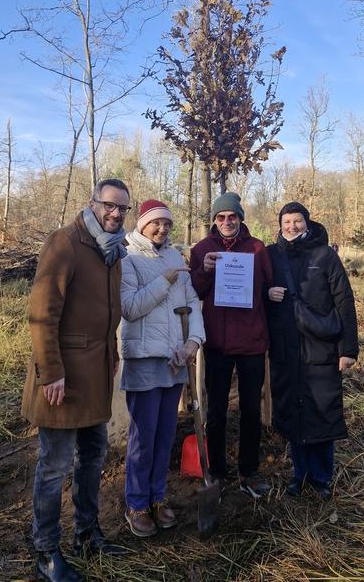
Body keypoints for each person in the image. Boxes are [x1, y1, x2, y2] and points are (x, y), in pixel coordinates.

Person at [21, 179, 131, 582]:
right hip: (62, 380)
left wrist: (114, 354)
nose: (116, 213)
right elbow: (42, 313)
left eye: (123, 208)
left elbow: (108, 313)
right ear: (93, 204)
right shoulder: (65, 242)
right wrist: (51, 371)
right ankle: (46, 551)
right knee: (54, 466)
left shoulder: (112, 250)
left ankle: (88, 533)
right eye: (109, 205)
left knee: (93, 457)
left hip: (97, 373)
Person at [120, 199, 206, 537]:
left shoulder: (174, 256)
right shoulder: (128, 257)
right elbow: (129, 308)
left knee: (165, 434)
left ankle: (158, 498)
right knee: (144, 435)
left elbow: (192, 303)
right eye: (156, 223)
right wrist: (165, 281)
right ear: (142, 224)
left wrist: (193, 343)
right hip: (144, 360)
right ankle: (137, 504)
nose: (162, 229)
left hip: (174, 360)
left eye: (167, 224)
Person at [266, 202, 358, 500]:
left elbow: (344, 301)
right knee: (294, 412)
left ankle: (321, 477)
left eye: (297, 221)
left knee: (322, 410)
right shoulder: (272, 255)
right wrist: (268, 294)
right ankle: (299, 475)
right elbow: (257, 293)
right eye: (287, 221)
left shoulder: (325, 255)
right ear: (280, 225)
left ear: (308, 223)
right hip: (287, 350)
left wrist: (348, 349)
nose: (292, 226)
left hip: (322, 348)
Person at [190, 192, 273, 499]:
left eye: (232, 217)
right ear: (214, 220)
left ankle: (248, 471)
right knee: (217, 410)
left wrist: (274, 293)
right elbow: (194, 291)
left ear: (241, 218)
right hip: (218, 344)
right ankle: (217, 472)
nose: (227, 222)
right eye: (221, 217)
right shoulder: (201, 250)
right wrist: (205, 270)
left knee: (251, 409)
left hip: (251, 341)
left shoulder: (256, 248)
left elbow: (267, 287)